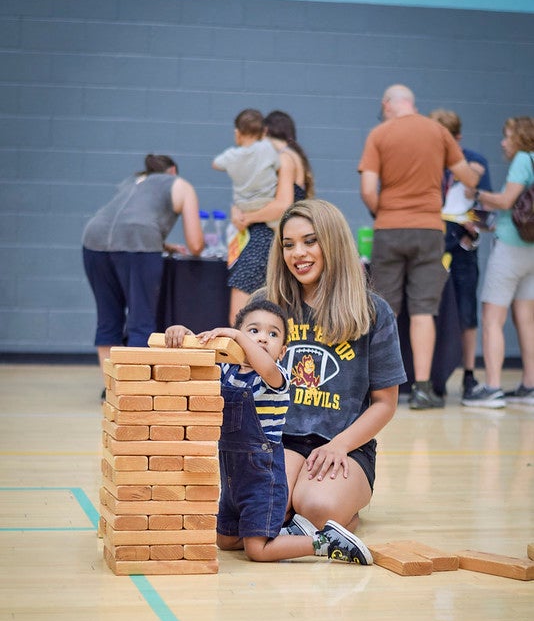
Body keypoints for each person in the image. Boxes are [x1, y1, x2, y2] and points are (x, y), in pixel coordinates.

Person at [164, 299, 372, 564]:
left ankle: (325, 542)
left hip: (263, 478)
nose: (262, 339)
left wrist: (239, 335)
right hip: (231, 476)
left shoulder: (276, 377)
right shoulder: (225, 371)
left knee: (257, 550)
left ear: (283, 351)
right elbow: (196, 361)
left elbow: (266, 366)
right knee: (225, 540)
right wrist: (182, 334)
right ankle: (288, 535)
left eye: (272, 334)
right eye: (254, 331)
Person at [260, 198, 406, 536]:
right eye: (289, 244)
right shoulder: (266, 305)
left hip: (346, 446)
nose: (298, 253)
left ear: (333, 243)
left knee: (316, 508)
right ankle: (297, 509)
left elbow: (386, 402)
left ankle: (333, 508)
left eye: (310, 241)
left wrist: (339, 445)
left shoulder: (373, 312)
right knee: (261, 511)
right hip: (281, 441)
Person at [358, 84, 485, 410]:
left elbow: (368, 189)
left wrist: (382, 212)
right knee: (424, 311)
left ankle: (374, 388)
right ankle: (423, 389)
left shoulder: (379, 133)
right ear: (412, 103)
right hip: (429, 229)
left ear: (388, 104)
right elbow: (468, 179)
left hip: (389, 228)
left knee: (384, 309)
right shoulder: (438, 131)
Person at [82, 154, 204, 389]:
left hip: (93, 240)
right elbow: (196, 244)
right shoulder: (180, 184)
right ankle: (132, 390)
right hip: (137, 244)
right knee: (140, 320)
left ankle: (111, 390)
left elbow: (121, 224)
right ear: (173, 170)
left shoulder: (132, 182)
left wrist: (162, 244)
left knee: (108, 320)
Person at [461, 115, 534, 408]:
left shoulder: (522, 159)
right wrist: (474, 218)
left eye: (506, 136)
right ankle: (529, 385)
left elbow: (505, 201)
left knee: (492, 318)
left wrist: (475, 193)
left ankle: (491, 386)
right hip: (530, 251)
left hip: (510, 251)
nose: (503, 142)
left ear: (520, 136)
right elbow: (514, 212)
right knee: (526, 320)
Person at [428, 109, 493, 399]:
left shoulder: (475, 162)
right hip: (432, 243)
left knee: (466, 310)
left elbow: (486, 214)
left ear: (457, 138)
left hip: (462, 246)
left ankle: (468, 375)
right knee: (429, 310)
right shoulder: (426, 161)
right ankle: (429, 376)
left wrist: (473, 225)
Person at [228, 110, 315, 324]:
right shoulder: (293, 158)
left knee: (240, 317)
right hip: (272, 240)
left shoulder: (283, 159)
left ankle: (241, 358)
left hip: (264, 241)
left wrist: (247, 217)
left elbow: (282, 206)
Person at [212, 108, 280, 228]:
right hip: (266, 203)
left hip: (243, 207)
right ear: (264, 132)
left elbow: (215, 164)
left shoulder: (231, 155)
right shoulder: (267, 148)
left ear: (237, 132)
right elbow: (278, 166)